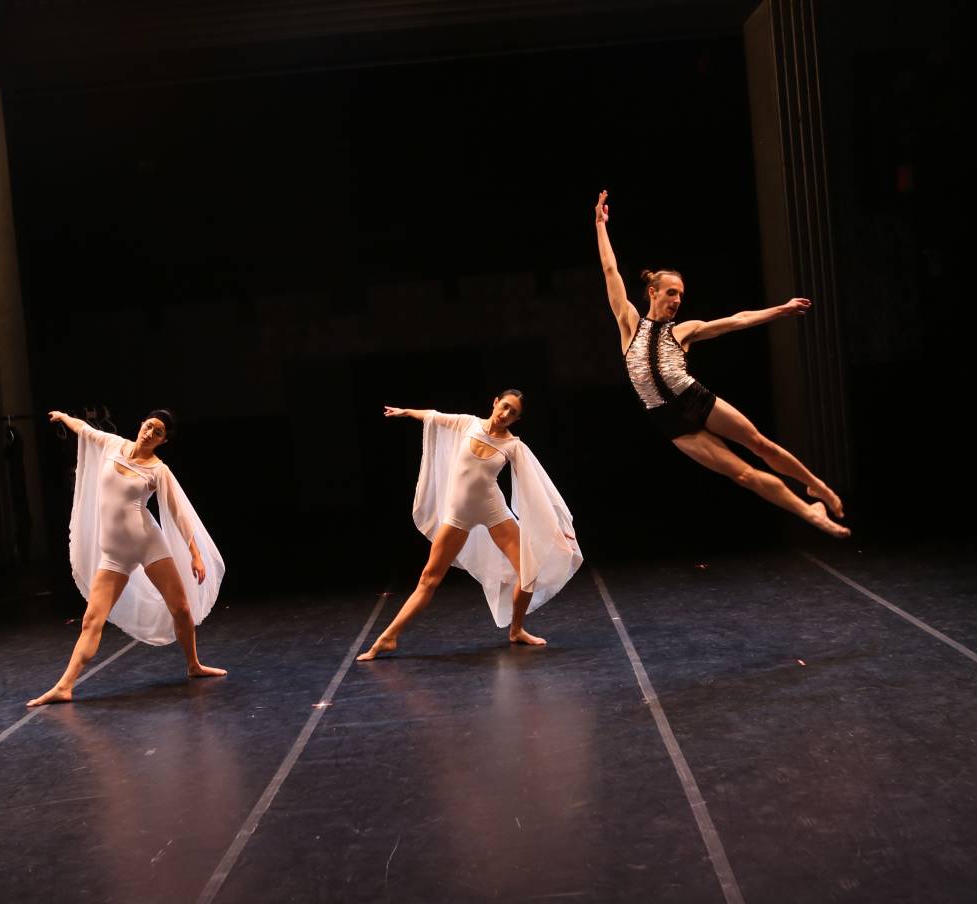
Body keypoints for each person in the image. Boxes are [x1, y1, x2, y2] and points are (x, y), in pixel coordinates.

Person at [594, 190, 849, 537]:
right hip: (668, 421)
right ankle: (811, 514)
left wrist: (783, 309)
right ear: (653, 292)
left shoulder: (684, 331)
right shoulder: (629, 324)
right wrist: (600, 225)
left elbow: (738, 320)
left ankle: (816, 485)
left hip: (695, 399)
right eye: (671, 293)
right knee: (742, 474)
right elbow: (610, 270)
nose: (677, 300)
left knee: (760, 445)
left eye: (681, 295)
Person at [358, 390, 582, 661]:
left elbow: (537, 490)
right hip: (457, 516)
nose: (506, 415)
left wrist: (557, 530)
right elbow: (434, 416)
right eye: (505, 407)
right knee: (428, 579)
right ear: (495, 402)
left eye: (513, 413)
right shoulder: (468, 423)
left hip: (492, 510)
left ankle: (516, 629)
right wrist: (406, 412)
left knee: (529, 573)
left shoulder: (513, 446)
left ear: (517, 419)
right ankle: (389, 637)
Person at [27, 409, 226, 706]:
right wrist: (64, 417)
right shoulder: (112, 444)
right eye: (149, 426)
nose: (149, 433)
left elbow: (178, 513)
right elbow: (85, 429)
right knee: (91, 621)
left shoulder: (159, 470)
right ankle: (65, 686)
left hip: (148, 544)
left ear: (163, 440)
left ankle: (194, 665)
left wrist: (195, 554)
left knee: (181, 609)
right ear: (141, 425)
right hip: (114, 554)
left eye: (157, 433)